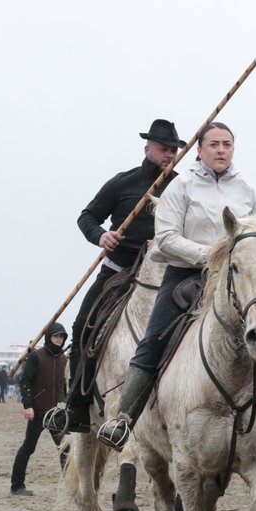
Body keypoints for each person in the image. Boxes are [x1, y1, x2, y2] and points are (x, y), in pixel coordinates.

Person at [97, 122, 256, 449]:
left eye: (227, 144)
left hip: (237, 281)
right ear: (199, 150)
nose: (221, 150)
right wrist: (209, 255)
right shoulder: (181, 187)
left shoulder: (249, 190)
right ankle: (123, 419)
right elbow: (165, 239)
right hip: (184, 275)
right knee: (154, 339)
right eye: (214, 144)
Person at [50, 120, 185, 434]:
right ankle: (77, 404)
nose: (169, 155)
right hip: (118, 272)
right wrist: (100, 236)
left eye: (173, 150)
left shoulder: (183, 187)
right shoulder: (122, 183)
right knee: (82, 324)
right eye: (163, 149)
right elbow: (87, 216)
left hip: (170, 276)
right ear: (147, 149)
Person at [10, 322, 69, 496]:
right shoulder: (36, 356)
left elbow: (64, 386)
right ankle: (17, 485)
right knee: (28, 447)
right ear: (49, 337)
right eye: (56, 336)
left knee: (65, 448)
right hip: (38, 412)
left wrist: (65, 404)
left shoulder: (64, 359)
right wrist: (28, 406)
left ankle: (68, 486)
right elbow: (25, 381)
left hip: (56, 412)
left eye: (61, 337)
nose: (59, 340)